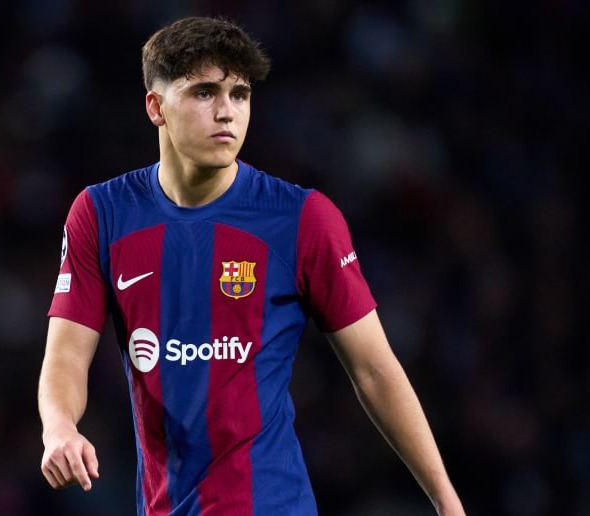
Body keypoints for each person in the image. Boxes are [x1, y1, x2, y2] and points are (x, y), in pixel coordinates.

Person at [38, 15, 465, 516]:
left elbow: (374, 369)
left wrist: (446, 501)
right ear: (156, 107)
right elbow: (67, 354)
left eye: (239, 94)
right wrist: (59, 427)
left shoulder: (302, 218)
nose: (227, 112)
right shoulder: (102, 214)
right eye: (204, 93)